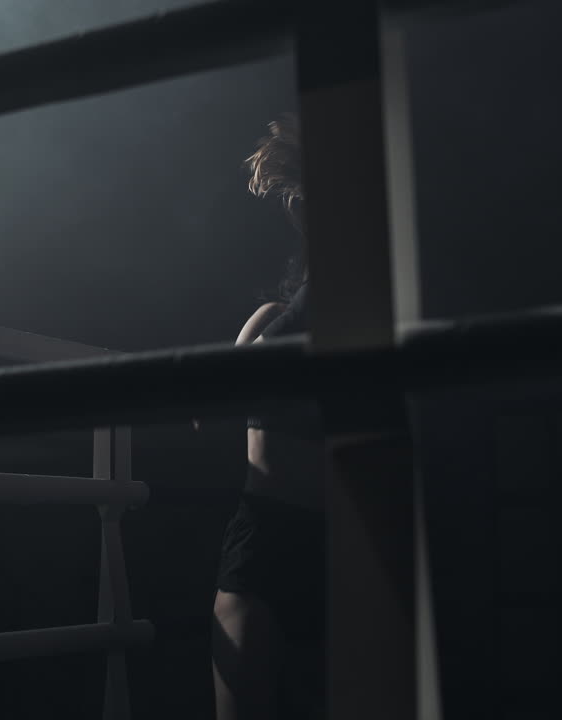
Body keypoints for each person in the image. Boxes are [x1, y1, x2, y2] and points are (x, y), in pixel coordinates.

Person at [209, 113, 326, 720]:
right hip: (264, 531)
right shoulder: (269, 316)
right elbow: (221, 398)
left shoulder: (353, 310)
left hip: (336, 528)